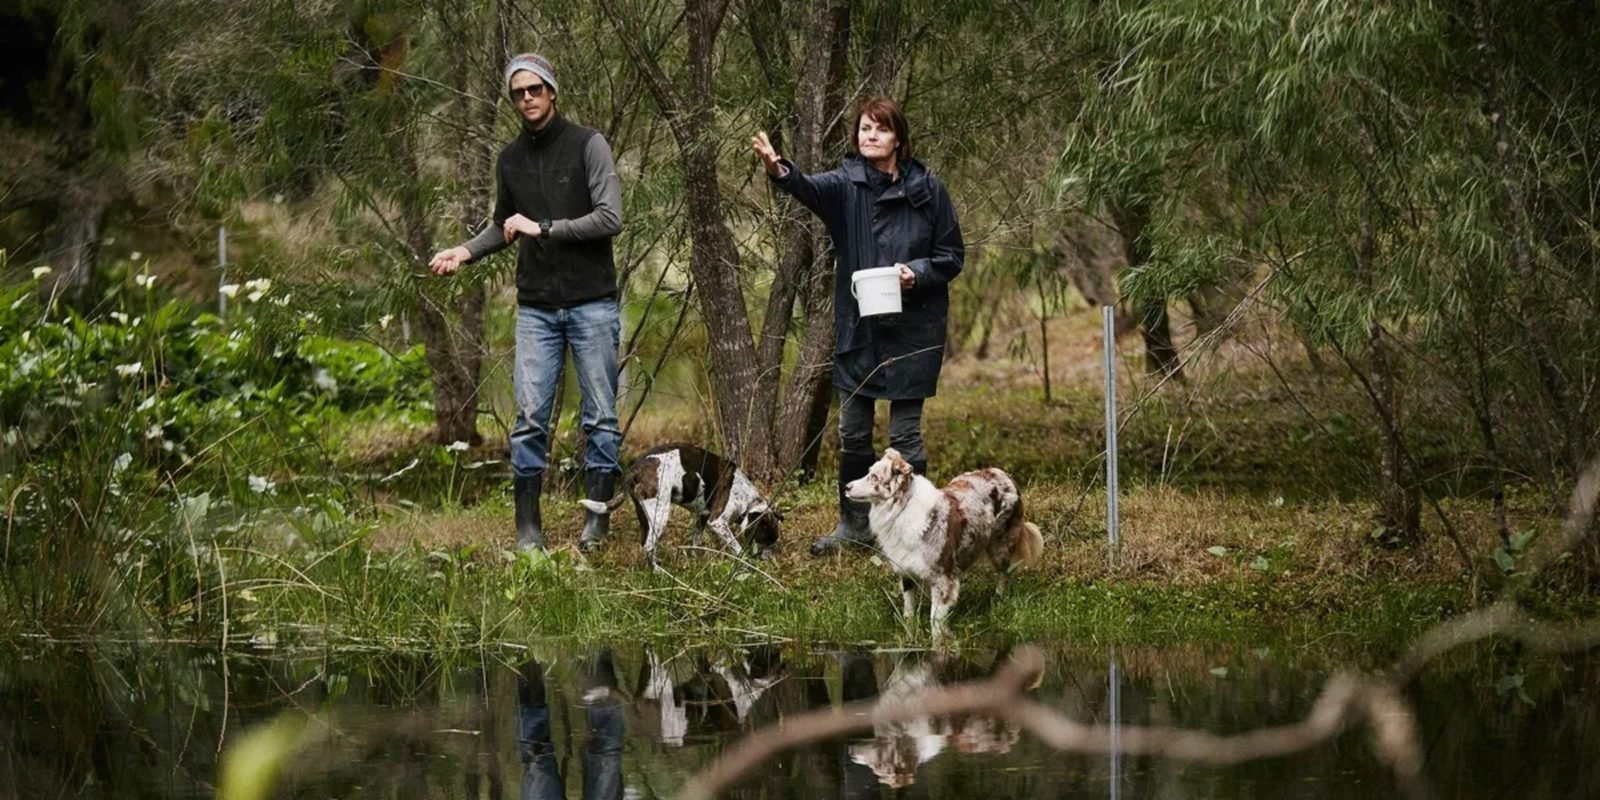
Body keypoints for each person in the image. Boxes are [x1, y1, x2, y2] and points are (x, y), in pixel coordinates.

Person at [751, 97, 964, 555]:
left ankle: (917, 529)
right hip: (859, 329)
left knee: (905, 436)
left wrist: (917, 273)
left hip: (915, 328)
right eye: (865, 128)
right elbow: (804, 186)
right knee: (853, 431)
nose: (870, 136)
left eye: (880, 130)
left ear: (898, 140)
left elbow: (951, 256)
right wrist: (777, 168)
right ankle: (855, 527)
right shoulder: (844, 186)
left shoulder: (927, 189)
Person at [430, 54, 624, 552]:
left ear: (552, 91)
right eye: (518, 93)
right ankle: (528, 534)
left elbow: (609, 217)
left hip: (592, 303)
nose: (528, 99)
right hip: (537, 307)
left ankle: (596, 526)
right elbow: (504, 223)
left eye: (535, 89)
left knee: (600, 417)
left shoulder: (588, 145)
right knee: (529, 419)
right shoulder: (510, 159)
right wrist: (465, 251)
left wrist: (546, 228)